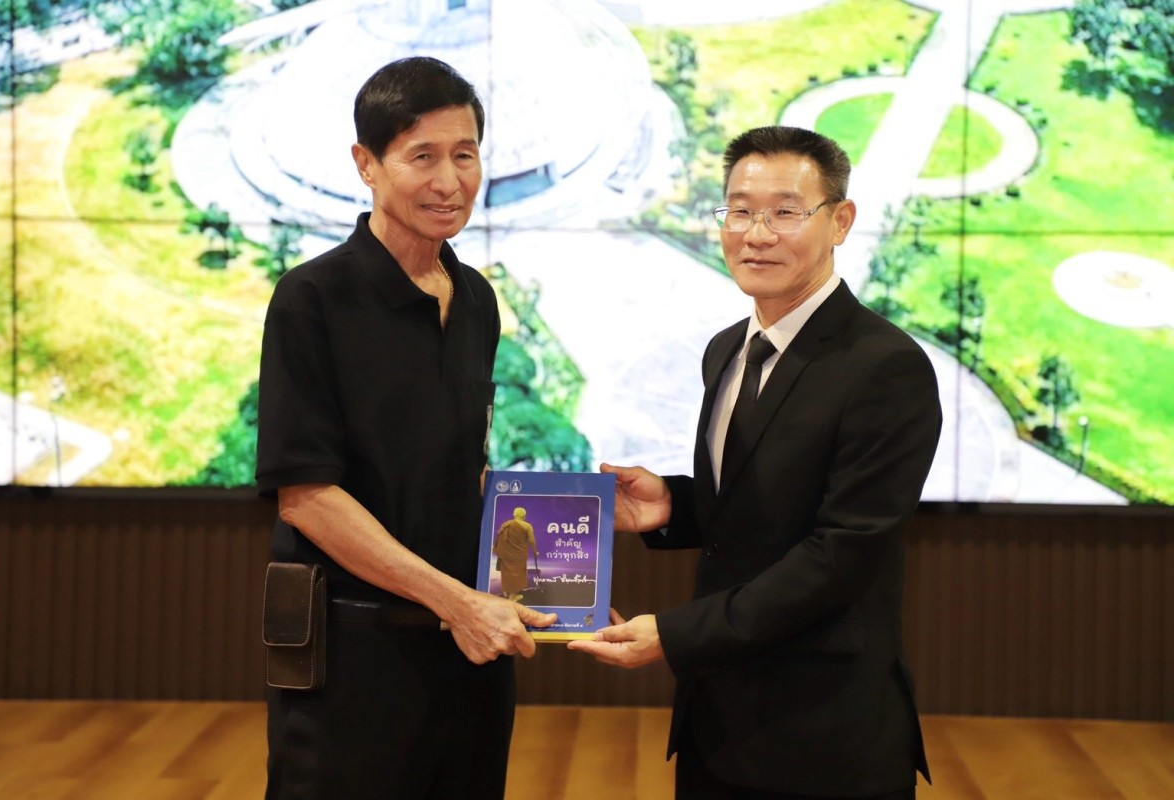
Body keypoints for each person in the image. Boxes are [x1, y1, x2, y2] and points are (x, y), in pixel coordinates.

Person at [569, 125, 942, 800]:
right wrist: (674, 505)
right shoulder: (727, 350)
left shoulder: (886, 367)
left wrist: (675, 635)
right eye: (739, 211)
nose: (756, 234)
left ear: (840, 221)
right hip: (717, 722)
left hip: (823, 734)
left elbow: (841, 553)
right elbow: (762, 502)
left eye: (785, 212)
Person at [256, 56, 554, 799]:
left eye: (465, 155)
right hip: (355, 655)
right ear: (367, 164)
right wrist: (454, 601)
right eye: (422, 157)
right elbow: (306, 497)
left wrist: (563, 578)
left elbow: (460, 469)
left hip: (470, 648)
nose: (450, 181)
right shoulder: (311, 299)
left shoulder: (475, 298)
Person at [494, 507, 539, 602]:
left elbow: (500, 537)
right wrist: (535, 551)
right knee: (517, 575)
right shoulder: (527, 526)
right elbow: (531, 540)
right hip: (519, 555)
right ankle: (512, 596)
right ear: (524, 516)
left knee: (506, 573)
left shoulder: (507, 524)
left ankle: (506, 591)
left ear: (514, 515)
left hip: (507, 554)